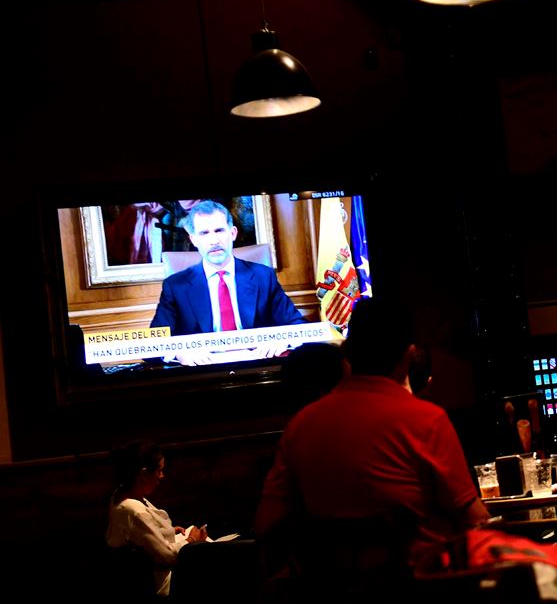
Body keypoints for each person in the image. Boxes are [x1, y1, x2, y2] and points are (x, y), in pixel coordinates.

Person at [254, 297, 490, 574]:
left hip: (328, 599)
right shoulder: (426, 419)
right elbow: (471, 518)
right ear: (408, 355)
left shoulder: (301, 425)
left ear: (346, 352)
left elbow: (266, 525)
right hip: (421, 592)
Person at [150, 199, 304, 364]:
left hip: (257, 365)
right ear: (193, 239)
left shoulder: (263, 277)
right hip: (205, 371)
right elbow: (154, 344)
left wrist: (282, 340)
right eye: (204, 233)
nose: (214, 240)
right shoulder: (175, 286)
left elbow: (298, 325)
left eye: (219, 230)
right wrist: (179, 352)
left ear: (233, 233)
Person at [105, 440, 208, 597]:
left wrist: (167, 531)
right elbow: (168, 557)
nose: (162, 476)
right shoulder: (134, 510)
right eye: (159, 471)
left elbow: (139, 537)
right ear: (144, 474)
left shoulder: (122, 494)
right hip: (162, 582)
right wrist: (191, 541)